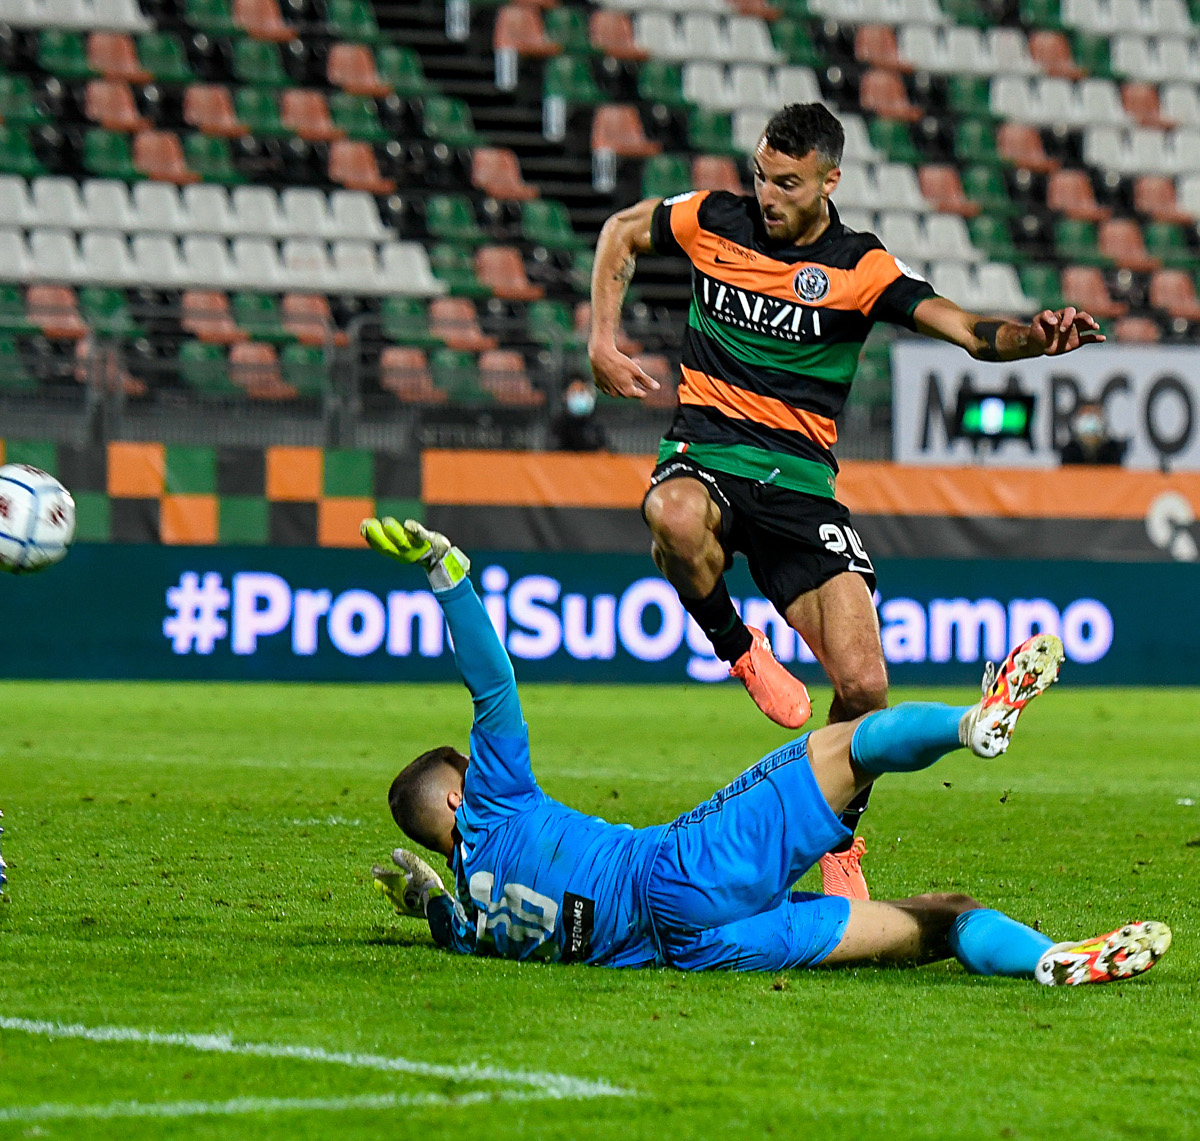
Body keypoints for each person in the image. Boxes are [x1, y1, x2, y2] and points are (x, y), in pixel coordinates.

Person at [587, 103, 1106, 899]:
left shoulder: (861, 268)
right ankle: (739, 649)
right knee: (672, 516)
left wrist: (1037, 339)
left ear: (831, 179)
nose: (767, 193)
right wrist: (601, 339)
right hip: (707, 454)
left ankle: (834, 838)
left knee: (864, 685)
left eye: (788, 182)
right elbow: (621, 230)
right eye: (762, 174)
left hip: (800, 482)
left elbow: (966, 330)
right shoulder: (712, 219)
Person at [361, 516, 1171, 986]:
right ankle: (973, 721)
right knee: (849, 745)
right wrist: (449, 576)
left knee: (938, 920)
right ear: (464, 796)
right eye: (470, 772)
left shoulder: (477, 911)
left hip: (702, 950)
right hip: (682, 871)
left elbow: (452, 930)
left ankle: (1050, 960)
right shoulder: (495, 804)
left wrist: (429, 897)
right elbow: (493, 685)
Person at [1060, 400, 1127, 466]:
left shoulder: (1113, 450)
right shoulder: (1069, 451)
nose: (1090, 420)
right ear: (1078, 420)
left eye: (1094, 414)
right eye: (1086, 415)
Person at [552, 377, 607, 452]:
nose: (578, 396)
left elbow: (605, 452)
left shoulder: (596, 426)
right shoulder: (558, 426)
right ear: (565, 396)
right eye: (574, 392)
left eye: (581, 391)